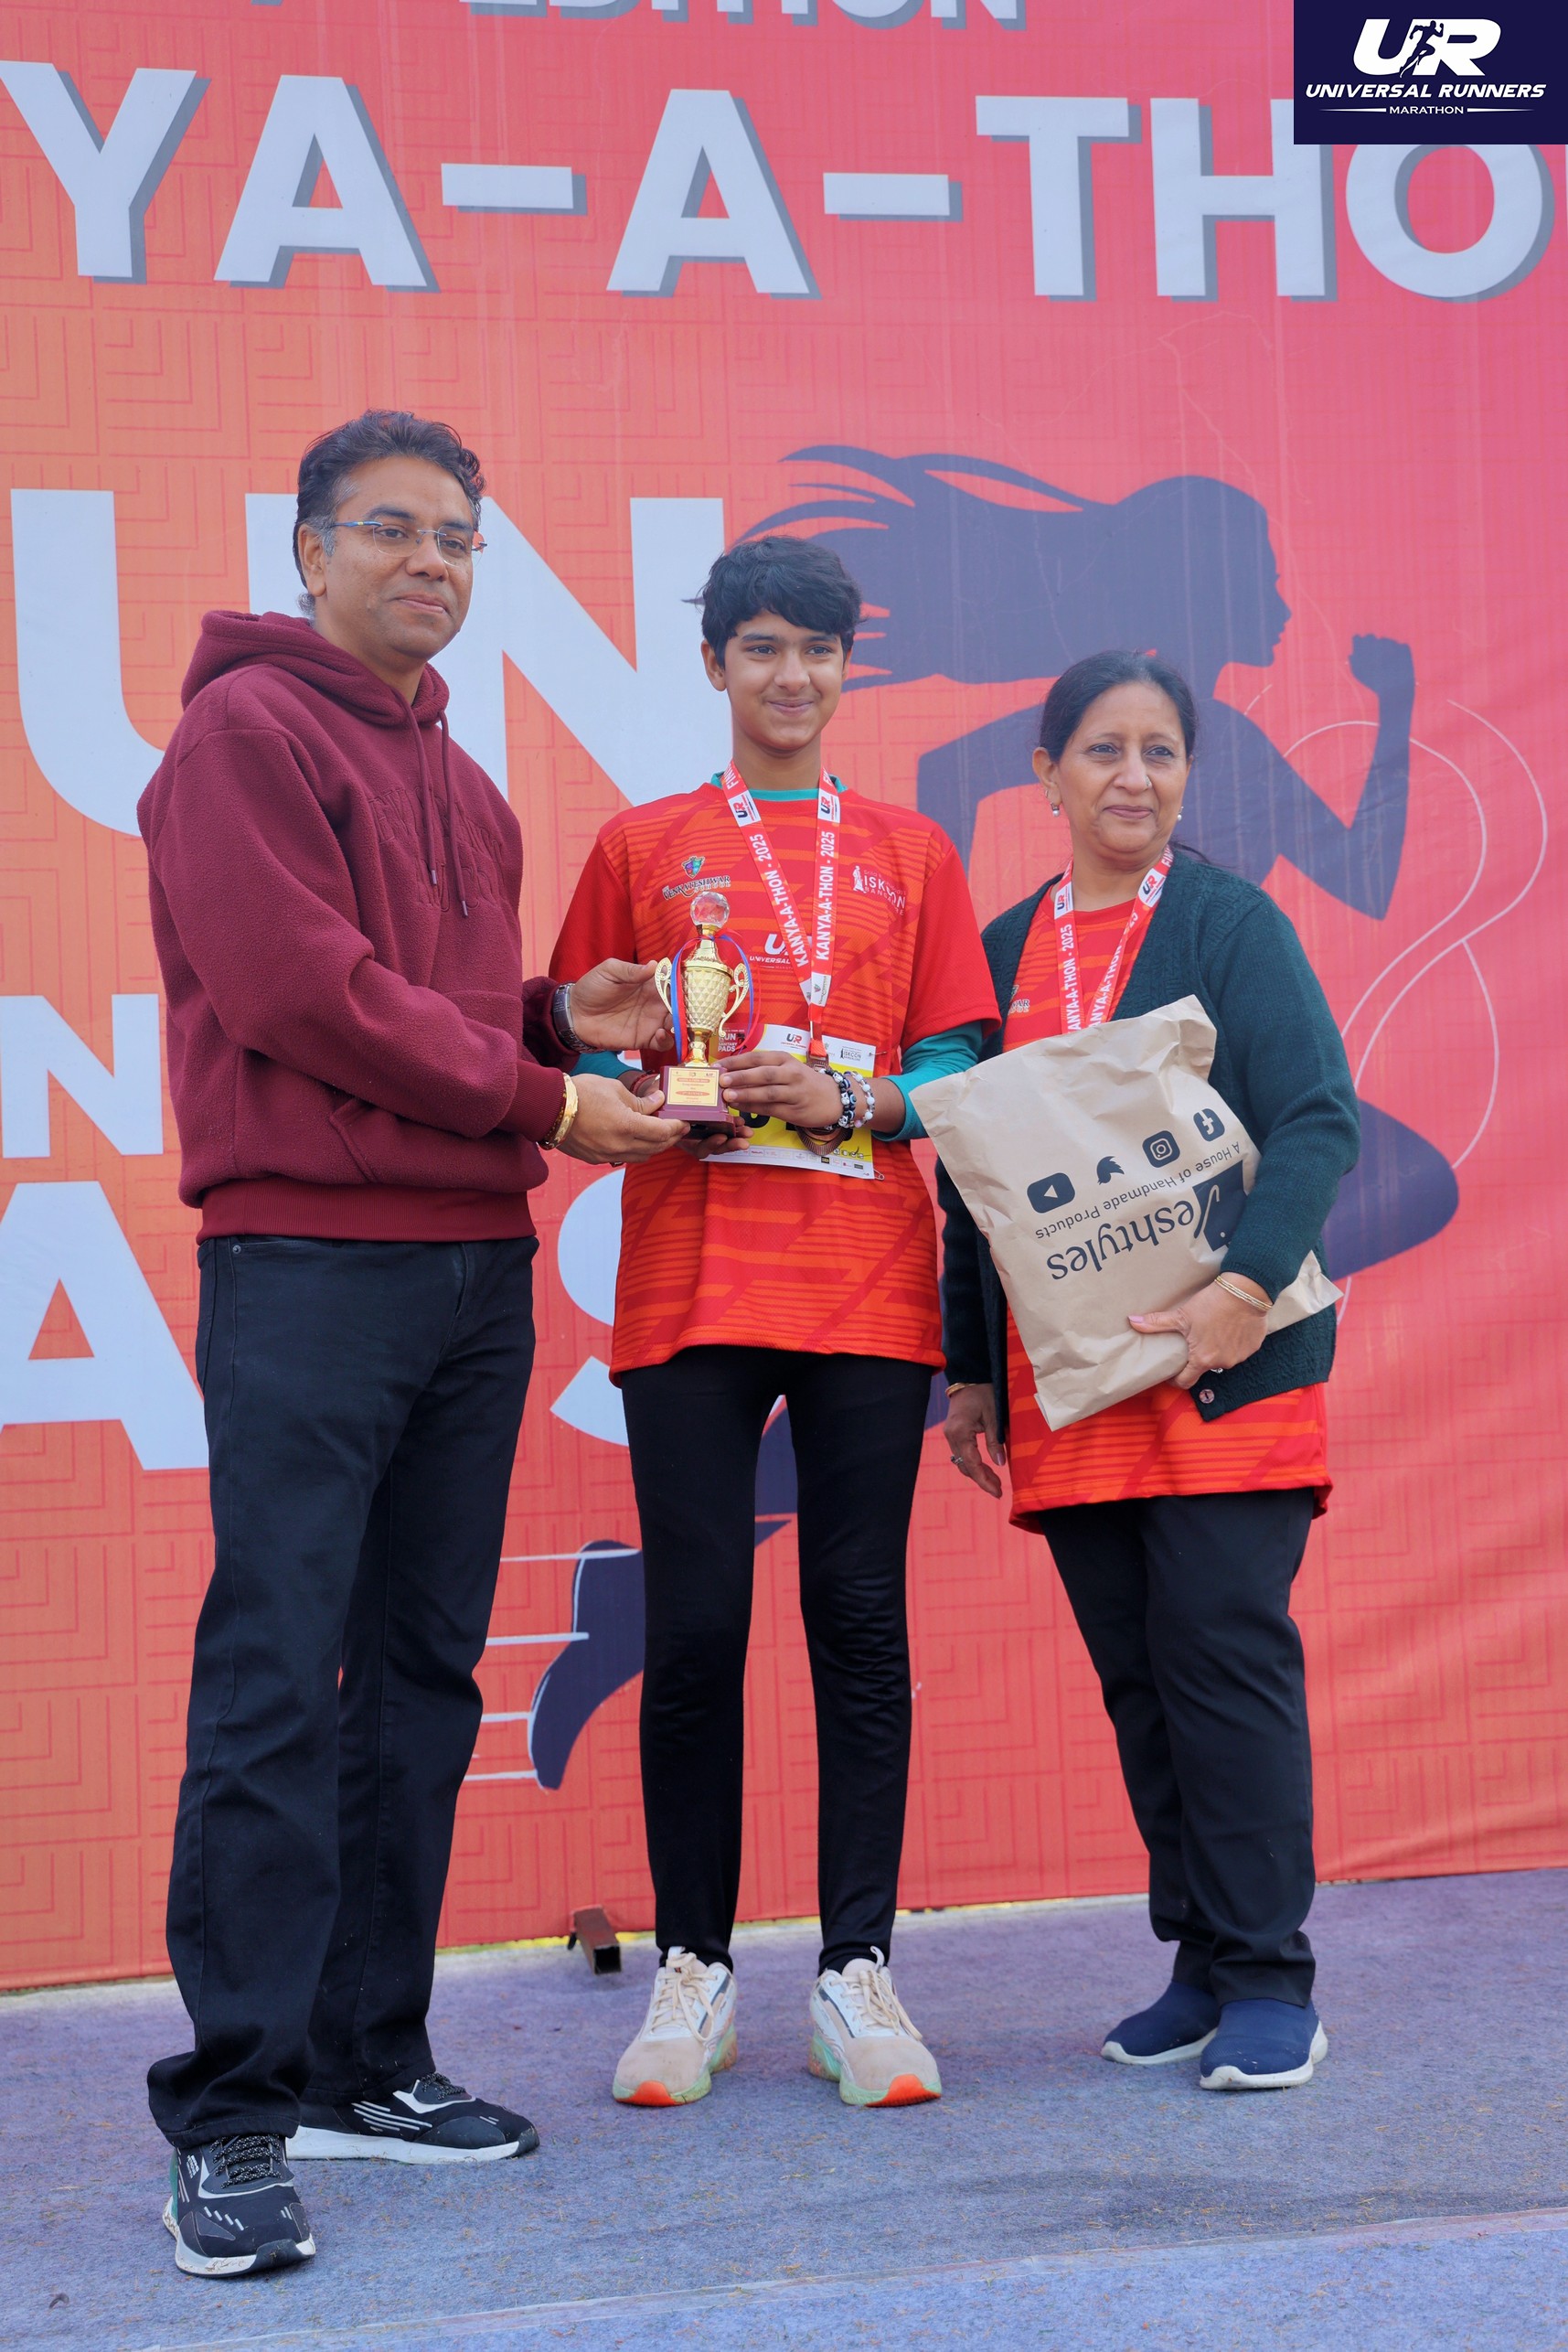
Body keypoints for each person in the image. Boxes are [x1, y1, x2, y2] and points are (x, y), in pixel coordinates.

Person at [138, 410, 681, 2279]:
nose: (431, 562)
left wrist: (554, 1014)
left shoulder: (467, 780)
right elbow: (303, 994)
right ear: (307, 549)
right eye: (392, 529)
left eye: (458, 538)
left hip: (469, 1272)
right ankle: (232, 2109)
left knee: (424, 1679)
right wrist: (549, 1095)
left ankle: (366, 2058)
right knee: (279, 1679)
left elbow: (422, 1005)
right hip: (306, 1261)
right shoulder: (242, 734)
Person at [550, 534, 998, 2111]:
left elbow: (959, 1067)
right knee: (693, 1629)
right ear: (715, 665)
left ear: (848, 666)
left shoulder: (911, 849)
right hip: (690, 1279)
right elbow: (577, 1042)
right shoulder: (642, 843)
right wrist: (628, 1099)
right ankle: (695, 1971)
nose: (791, 675)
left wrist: (853, 1098)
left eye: (817, 649)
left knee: (858, 1623)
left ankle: (856, 1973)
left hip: (868, 1279)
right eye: (761, 648)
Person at [941, 649, 1360, 2092]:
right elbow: (979, 1182)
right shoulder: (1001, 950)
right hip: (1073, 1388)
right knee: (1142, 1682)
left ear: (1188, 774)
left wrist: (1244, 1291)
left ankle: (1273, 1979)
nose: (1134, 776)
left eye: (1162, 751)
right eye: (1104, 750)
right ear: (1046, 773)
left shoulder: (1232, 925)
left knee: (1223, 1664)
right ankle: (1201, 1961)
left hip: (1227, 1369)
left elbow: (1316, 1119)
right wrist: (970, 1371)